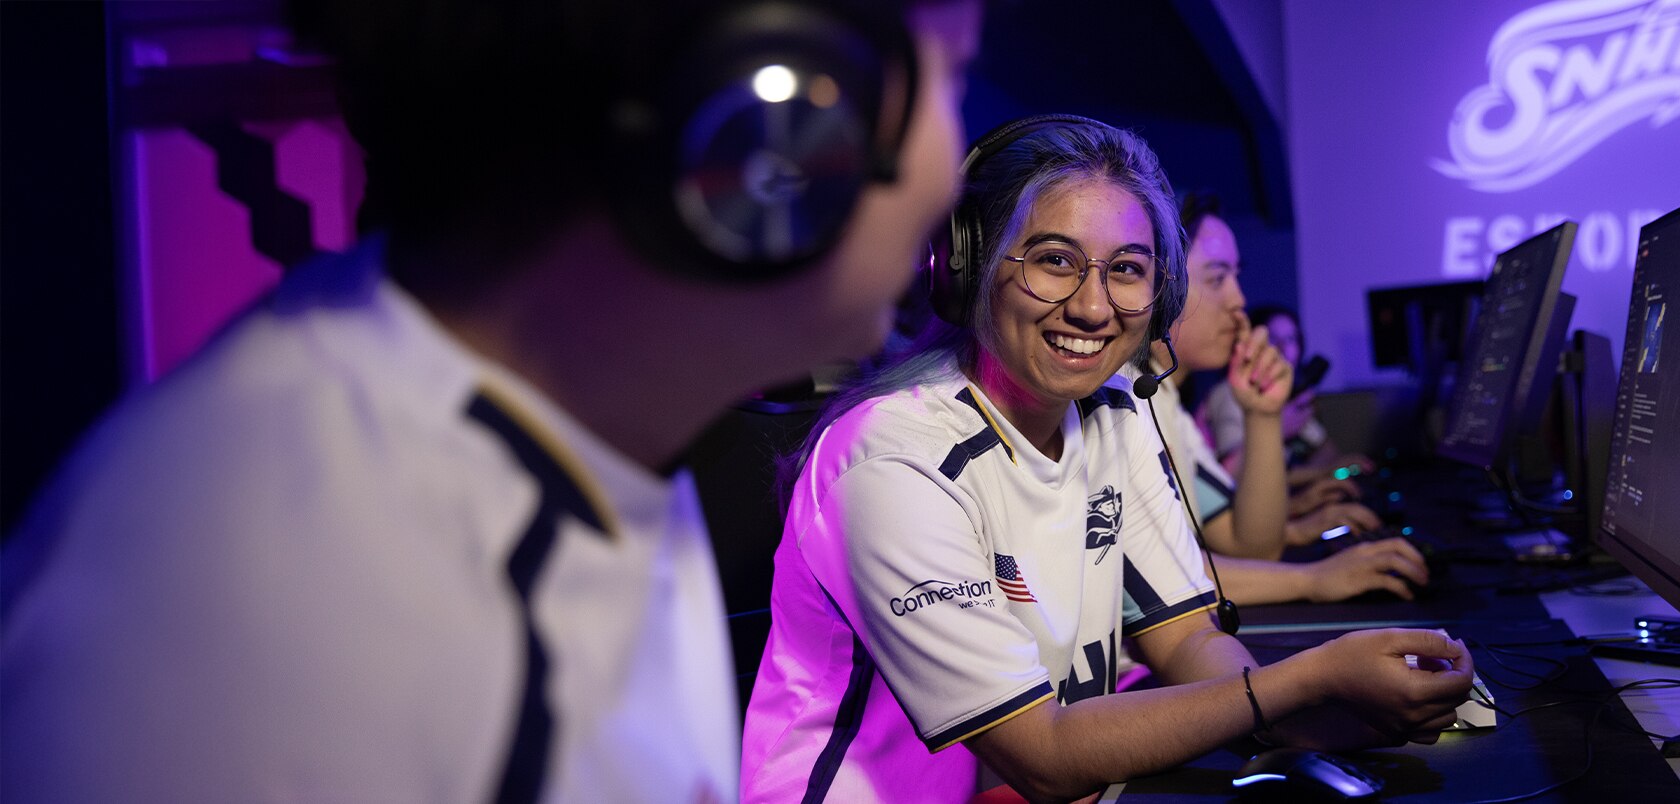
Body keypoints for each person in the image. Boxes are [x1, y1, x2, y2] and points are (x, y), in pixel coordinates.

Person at [0, 1, 980, 801]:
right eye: (952, 70)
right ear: (758, 116)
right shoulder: (290, 620)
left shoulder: (592, 430)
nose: (958, 159)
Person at [740, 117, 1473, 802]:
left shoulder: (1118, 408)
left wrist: (1327, 720)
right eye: (1055, 261)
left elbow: (1186, 638)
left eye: (1127, 270)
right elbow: (1042, 756)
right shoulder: (891, 463)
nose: (1093, 308)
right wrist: (1306, 681)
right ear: (968, 268)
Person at [1124, 195, 1420, 603]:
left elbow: (1251, 543)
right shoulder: (1124, 400)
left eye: (1236, 277)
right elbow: (1159, 574)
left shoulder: (1167, 403)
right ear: (1156, 288)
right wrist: (1313, 580)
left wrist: (1263, 414)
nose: (1238, 301)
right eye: (1216, 279)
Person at [1204, 304, 1375, 486]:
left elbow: (1328, 455)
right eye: (1273, 338)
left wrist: (1334, 470)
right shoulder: (1229, 393)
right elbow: (1232, 474)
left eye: (1291, 339)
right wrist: (1279, 427)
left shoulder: (1290, 396)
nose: (1284, 348)